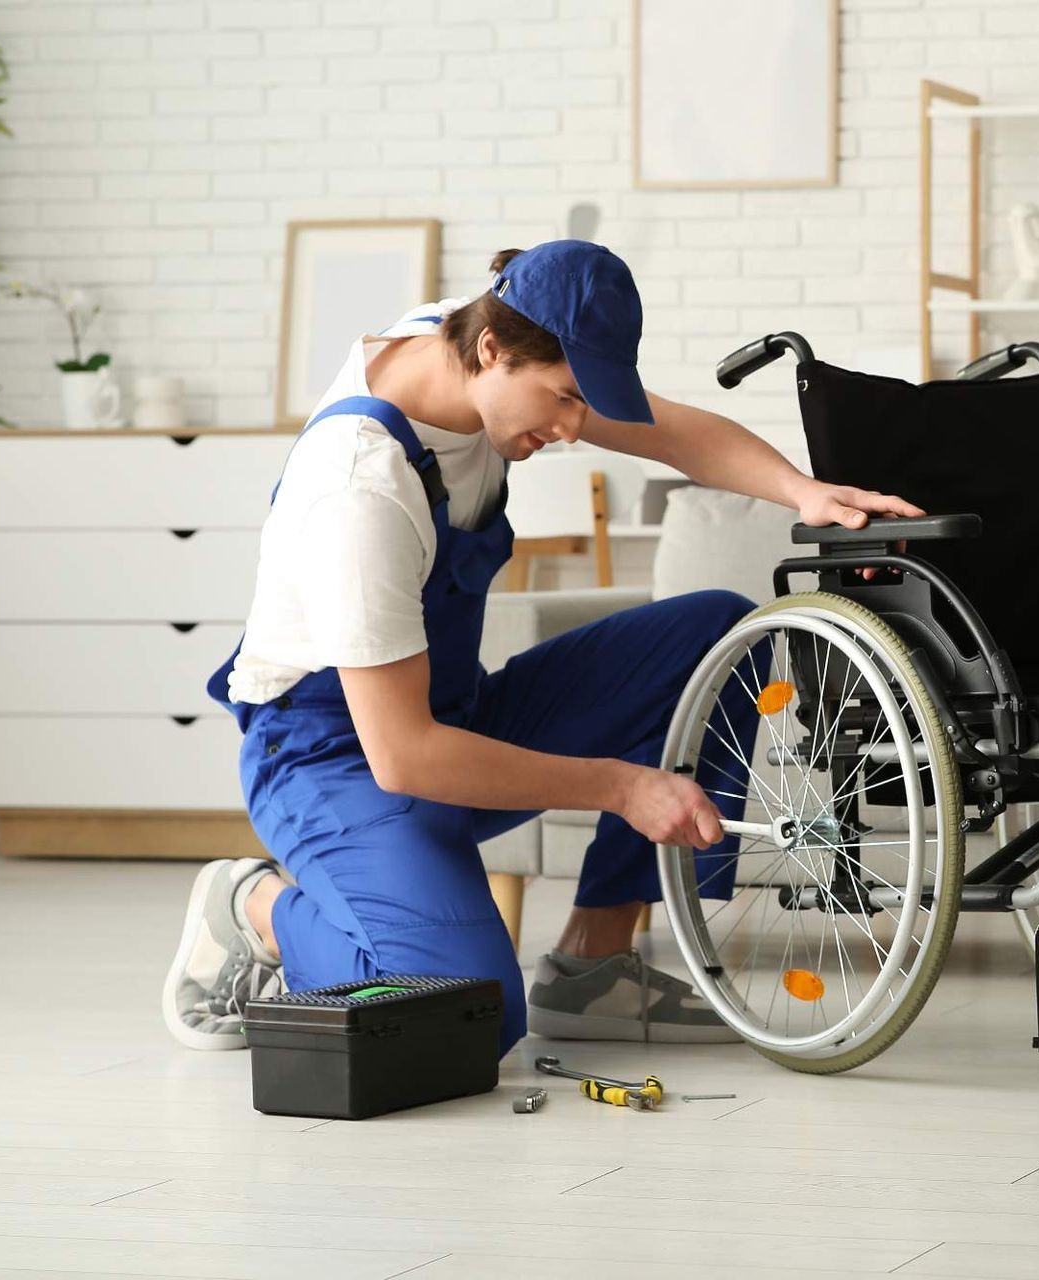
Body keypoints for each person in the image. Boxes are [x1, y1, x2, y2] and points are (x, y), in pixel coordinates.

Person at [160, 240, 920, 1055]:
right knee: (470, 1011)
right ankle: (256, 910)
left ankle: (593, 963)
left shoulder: (478, 338)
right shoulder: (360, 486)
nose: (569, 428)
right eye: (561, 400)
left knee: (709, 630)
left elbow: (670, 432)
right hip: (333, 759)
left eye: (581, 402)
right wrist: (623, 786)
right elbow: (404, 757)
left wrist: (804, 492)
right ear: (490, 351)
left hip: (455, 718)